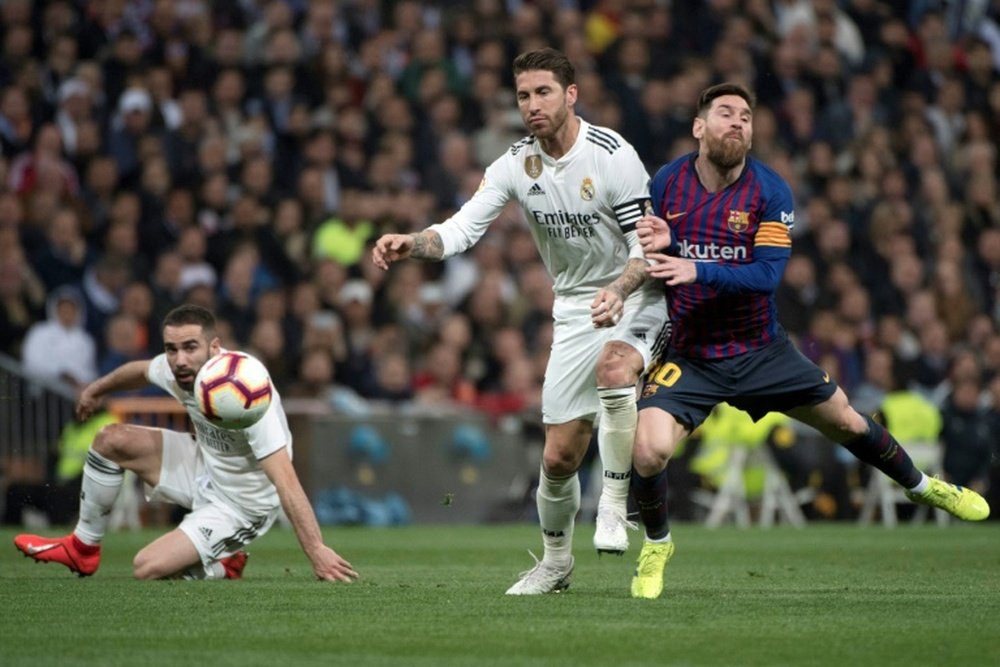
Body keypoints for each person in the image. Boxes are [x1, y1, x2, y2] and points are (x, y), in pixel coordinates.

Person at [628, 82, 990, 600]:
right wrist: (656, 258)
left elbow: (765, 276)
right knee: (648, 450)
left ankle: (924, 487)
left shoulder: (770, 191)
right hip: (693, 354)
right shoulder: (667, 182)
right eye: (725, 113)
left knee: (845, 419)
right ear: (698, 126)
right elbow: (650, 253)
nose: (738, 123)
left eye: (746, 116)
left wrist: (692, 265)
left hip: (762, 350)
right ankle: (657, 546)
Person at [372, 48, 668, 595]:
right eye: (524, 96)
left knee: (615, 367)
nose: (532, 105)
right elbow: (460, 231)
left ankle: (614, 503)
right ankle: (556, 563)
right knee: (558, 457)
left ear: (571, 94)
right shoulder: (515, 163)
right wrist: (411, 242)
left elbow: (644, 250)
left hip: (638, 296)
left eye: (543, 93)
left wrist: (619, 290)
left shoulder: (612, 155)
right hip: (575, 308)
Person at [14, 304, 358, 583]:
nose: (179, 359)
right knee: (110, 439)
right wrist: (96, 388)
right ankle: (83, 547)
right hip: (203, 464)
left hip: (242, 503)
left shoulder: (246, 392)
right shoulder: (179, 368)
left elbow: (286, 480)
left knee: (146, 568)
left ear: (214, 347)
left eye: (190, 347)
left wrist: (317, 551)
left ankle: (224, 564)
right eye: (171, 348)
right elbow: (139, 370)